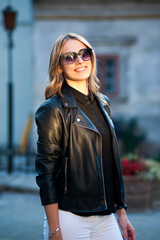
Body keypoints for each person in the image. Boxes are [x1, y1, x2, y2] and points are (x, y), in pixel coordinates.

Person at [35, 32, 136, 240]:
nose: (79, 60)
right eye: (70, 57)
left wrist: (121, 212)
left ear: (92, 57)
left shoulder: (103, 103)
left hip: (106, 215)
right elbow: (46, 173)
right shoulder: (52, 109)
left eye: (84, 53)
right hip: (70, 216)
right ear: (59, 66)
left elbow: (110, 162)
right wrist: (55, 229)